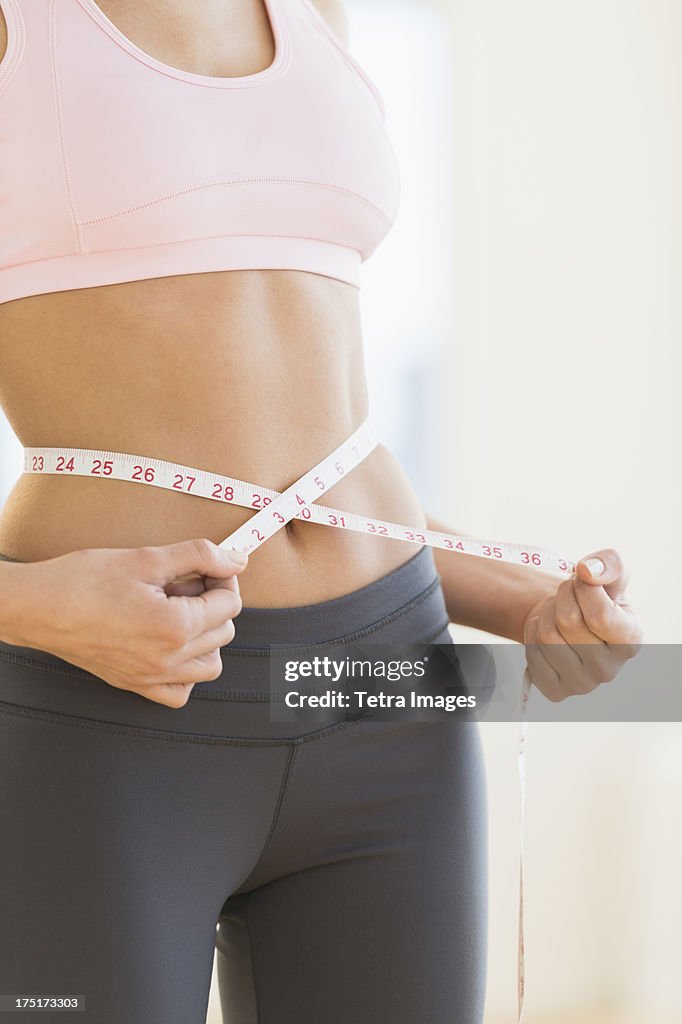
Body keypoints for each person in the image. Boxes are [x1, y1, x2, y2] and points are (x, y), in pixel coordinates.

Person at [0, 2, 642, 1022]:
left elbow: (290, 427)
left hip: (385, 680)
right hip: (108, 704)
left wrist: (515, 599)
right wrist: (28, 606)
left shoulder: (315, 13)